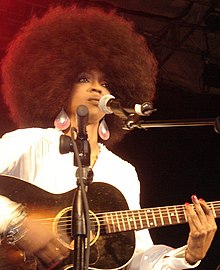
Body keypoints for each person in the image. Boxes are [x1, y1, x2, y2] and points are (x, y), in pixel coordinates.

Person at [0, 4, 217, 270]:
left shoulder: (122, 172)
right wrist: (19, 222)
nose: (96, 88)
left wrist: (189, 255)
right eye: (83, 78)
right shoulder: (28, 142)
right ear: (58, 85)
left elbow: (137, 257)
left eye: (106, 83)